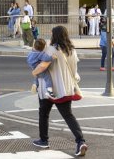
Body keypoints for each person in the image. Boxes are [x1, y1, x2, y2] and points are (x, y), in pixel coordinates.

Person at [32, 26, 87, 157]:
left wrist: (34, 72)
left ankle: (44, 140)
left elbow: (42, 66)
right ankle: (80, 141)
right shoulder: (71, 50)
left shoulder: (51, 50)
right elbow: (74, 70)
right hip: (65, 89)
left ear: (55, 36)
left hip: (48, 89)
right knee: (68, 116)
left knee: (44, 113)